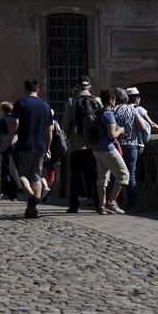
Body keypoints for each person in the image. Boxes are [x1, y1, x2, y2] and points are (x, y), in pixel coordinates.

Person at [1, 79, 53, 220]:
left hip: (25, 144)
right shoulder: (45, 105)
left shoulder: (21, 102)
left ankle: (31, 197)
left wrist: (8, 142)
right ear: (38, 89)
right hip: (41, 146)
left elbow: (15, 123)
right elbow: (50, 129)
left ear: (25, 89)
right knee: (36, 176)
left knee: (22, 174)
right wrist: (48, 147)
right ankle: (33, 209)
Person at [61, 76, 101, 213]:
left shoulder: (72, 101)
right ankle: (98, 204)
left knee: (75, 176)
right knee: (96, 175)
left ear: (77, 88)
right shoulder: (97, 101)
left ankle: (73, 206)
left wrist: (68, 138)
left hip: (76, 145)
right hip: (94, 145)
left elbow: (65, 124)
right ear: (90, 88)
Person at [92, 88, 130, 214]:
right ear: (111, 100)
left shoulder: (99, 112)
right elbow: (111, 134)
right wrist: (120, 131)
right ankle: (112, 202)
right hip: (107, 149)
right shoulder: (108, 114)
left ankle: (102, 207)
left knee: (102, 178)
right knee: (123, 174)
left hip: (97, 149)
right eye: (114, 99)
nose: (115, 102)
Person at [113, 88, 147, 212]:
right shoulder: (132, 109)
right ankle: (132, 204)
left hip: (117, 145)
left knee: (117, 175)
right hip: (131, 144)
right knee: (131, 175)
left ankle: (117, 203)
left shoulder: (112, 110)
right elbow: (142, 127)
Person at [0, 101, 21, 200]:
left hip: (5, 145)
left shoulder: (2, 121)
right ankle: (13, 193)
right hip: (16, 145)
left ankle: (5, 192)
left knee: (6, 169)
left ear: (3, 110)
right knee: (14, 168)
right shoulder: (16, 120)